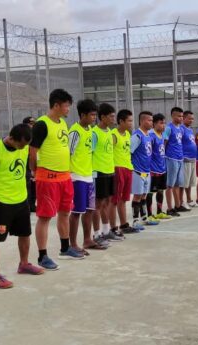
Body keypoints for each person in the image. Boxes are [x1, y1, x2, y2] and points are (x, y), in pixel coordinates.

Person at [0, 124, 45, 289]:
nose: (23, 148)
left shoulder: (23, 148)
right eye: (21, 144)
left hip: (21, 199)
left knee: (25, 234)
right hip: (1, 202)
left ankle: (24, 264)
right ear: (11, 138)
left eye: (26, 145)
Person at [30, 88, 78, 270]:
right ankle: (42, 256)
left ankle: (65, 248)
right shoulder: (42, 124)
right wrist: (35, 171)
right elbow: (32, 151)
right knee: (45, 217)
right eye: (66, 106)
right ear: (56, 105)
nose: (68, 110)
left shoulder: (62, 124)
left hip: (64, 176)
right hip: (47, 177)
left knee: (65, 212)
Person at [68, 100, 107, 253]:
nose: (94, 118)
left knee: (90, 209)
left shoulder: (90, 130)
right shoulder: (75, 132)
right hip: (77, 176)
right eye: (91, 115)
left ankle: (87, 240)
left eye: (95, 115)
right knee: (77, 212)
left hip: (89, 176)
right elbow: (68, 154)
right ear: (82, 115)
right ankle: (72, 244)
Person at [91, 103, 124, 242]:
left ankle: (106, 231)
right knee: (97, 204)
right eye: (111, 116)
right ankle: (97, 234)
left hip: (110, 171)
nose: (113, 119)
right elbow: (89, 153)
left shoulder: (110, 132)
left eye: (114, 116)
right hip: (98, 172)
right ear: (102, 117)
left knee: (107, 202)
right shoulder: (94, 133)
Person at [130, 111, 158, 230]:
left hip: (147, 171)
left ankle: (145, 217)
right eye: (149, 120)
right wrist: (132, 168)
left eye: (152, 120)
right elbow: (129, 152)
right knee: (137, 196)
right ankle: (135, 220)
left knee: (144, 196)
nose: (151, 122)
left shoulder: (149, 136)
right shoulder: (137, 136)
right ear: (142, 121)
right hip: (137, 171)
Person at [112, 109, 136, 234]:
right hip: (117, 168)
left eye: (132, 121)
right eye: (129, 121)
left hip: (128, 168)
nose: (131, 123)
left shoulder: (127, 134)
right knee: (116, 199)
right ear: (121, 121)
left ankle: (123, 224)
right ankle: (112, 227)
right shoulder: (113, 135)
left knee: (124, 198)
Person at [164, 107, 187, 216]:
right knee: (170, 185)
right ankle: (169, 208)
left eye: (182, 116)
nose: (181, 118)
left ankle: (177, 205)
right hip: (171, 158)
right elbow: (164, 142)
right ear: (173, 116)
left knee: (177, 184)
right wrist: (164, 156)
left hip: (179, 158)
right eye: (179, 116)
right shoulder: (168, 128)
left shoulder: (181, 128)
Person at [147, 113, 170, 219]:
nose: (163, 125)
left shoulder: (162, 135)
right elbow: (148, 153)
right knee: (151, 192)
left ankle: (160, 211)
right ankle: (149, 214)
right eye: (161, 123)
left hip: (162, 168)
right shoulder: (151, 136)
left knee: (161, 191)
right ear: (154, 124)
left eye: (164, 123)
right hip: (153, 170)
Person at [180, 111, 198, 209]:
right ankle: (181, 202)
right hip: (185, 159)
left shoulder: (190, 130)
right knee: (183, 183)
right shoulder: (181, 129)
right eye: (189, 118)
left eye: (192, 119)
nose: (191, 120)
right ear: (183, 118)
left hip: (193, 159)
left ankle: (189, 200)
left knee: (190, 183)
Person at [22, 116, 37, 212]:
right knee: (27, 183)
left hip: (33, 161)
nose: (32, 126)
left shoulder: (35, 136)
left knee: (34, 184)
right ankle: (26, 205)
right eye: (30, 124)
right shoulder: (22, 135)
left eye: (33, 124)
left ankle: (32, 205)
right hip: (25, 161)